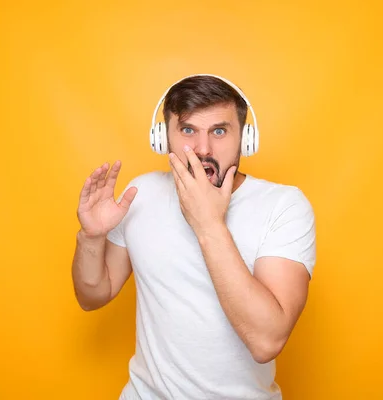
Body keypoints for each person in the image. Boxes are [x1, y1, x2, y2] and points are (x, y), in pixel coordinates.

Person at [71, 74, 317, 400]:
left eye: (219, 131)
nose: (203, 148)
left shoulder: (284, 206)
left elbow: (266, 341)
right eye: (188, 130)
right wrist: (92, 237)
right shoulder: (142, 194)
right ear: (162, 138)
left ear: (245, 138)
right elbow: (92, 296)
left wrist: (208, 224)